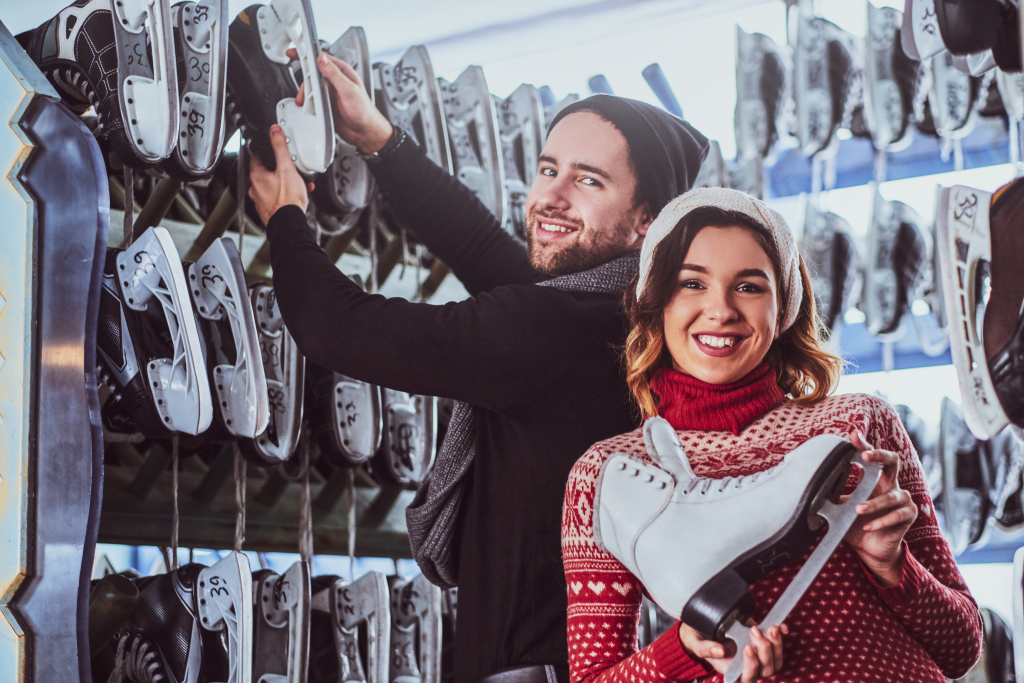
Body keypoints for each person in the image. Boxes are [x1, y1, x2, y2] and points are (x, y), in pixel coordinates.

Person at [248, 51, 709, 683]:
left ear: (645, 224)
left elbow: (336, 327)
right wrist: (381, 141)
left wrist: (286, 219)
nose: (551, 195)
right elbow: (483, 248)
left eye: (588, 180)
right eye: (548, 169)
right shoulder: (625, 320)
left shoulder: (555, 330)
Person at [562, 187, 983, 682]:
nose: (720, 310)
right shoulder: (614, 473)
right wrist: (687, 651)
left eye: (749, 287)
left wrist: (893, 565)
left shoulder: (855, 426)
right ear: (656, 303)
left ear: (783, 310)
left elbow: (963, 648)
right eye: (692, 284)